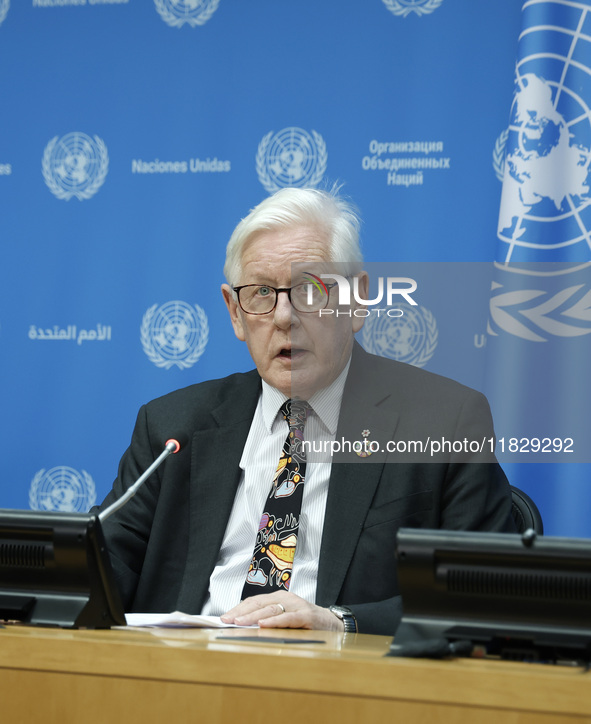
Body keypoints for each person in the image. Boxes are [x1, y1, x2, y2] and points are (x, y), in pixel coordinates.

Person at [97, 187, 515, 636]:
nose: (283, 316)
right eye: (260, 293)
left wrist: (341, 622)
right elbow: (100, 572)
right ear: (235, 313)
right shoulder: (173, 426)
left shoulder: (444, 422)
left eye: (309, 289)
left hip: (342, 686)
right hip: (178, 681)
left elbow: (485, 592)